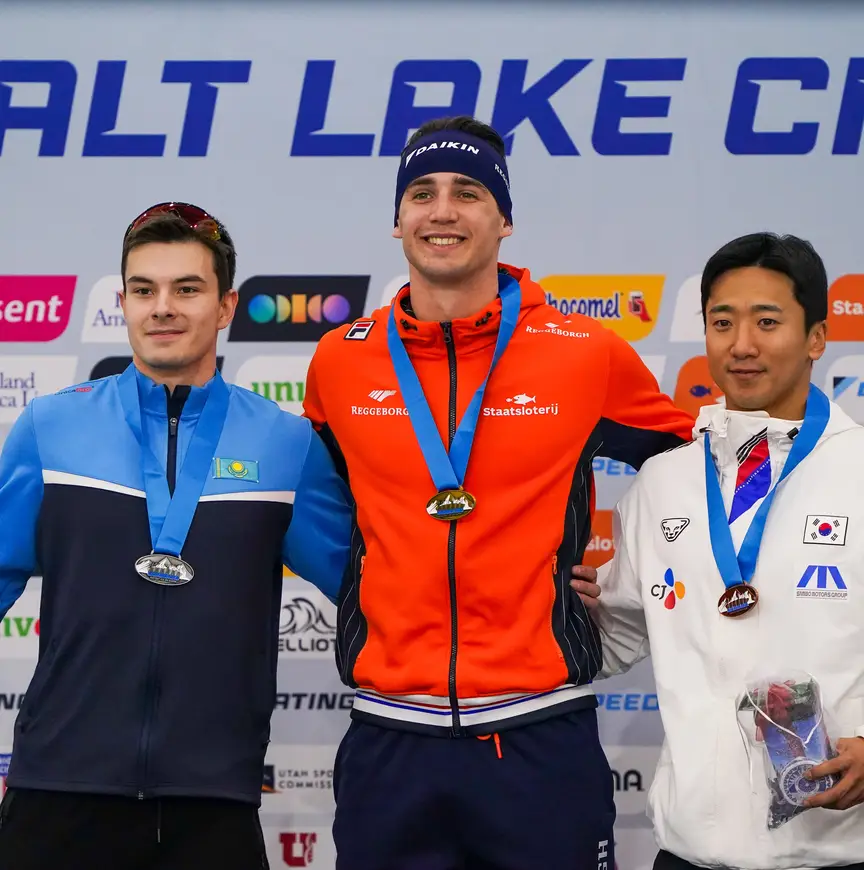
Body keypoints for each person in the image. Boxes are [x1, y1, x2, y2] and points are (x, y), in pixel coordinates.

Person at [302, 115, 694, 870]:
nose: (442, 210)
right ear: (397, 220)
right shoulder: (339, 362)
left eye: (469, 193)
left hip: (539, 737)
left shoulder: (584, 353)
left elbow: (694, 469)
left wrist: (625, 584)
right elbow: (320, 505)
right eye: (421, 192)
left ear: (505, 219)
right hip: (389, 737)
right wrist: (363, 589)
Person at [0, 202, 351, 870]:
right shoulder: (49, 429)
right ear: (124, 303)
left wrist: (525, 586)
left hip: (212, 802)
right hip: (57, 792)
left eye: (187, 289)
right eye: (143, 289)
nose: (162, 307)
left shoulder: (285, 444)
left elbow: (375, 586)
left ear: (225, 307)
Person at [572, 232, 864, 870]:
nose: (742, 345)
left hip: (837, 849)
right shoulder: (664, 482)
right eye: (722, 322)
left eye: (768, 321)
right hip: (691, 853)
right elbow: (613, 641)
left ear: (817, 337)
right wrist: (546, 604)